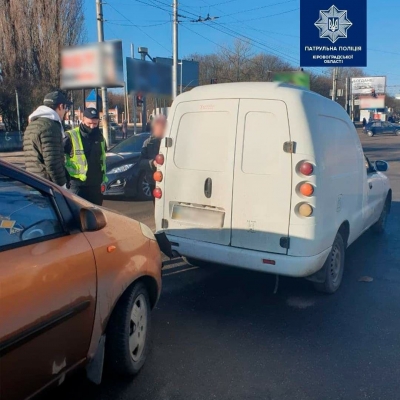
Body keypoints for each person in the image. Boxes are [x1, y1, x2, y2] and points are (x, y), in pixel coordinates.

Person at [24, 90, 72, 187]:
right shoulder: (50, 127)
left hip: (32, 179)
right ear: (60, 106)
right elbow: (52, 162)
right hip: (46, 185)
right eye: (65, 108)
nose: (65, 112)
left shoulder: (32, 124)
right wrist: (62, 186)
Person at [64, 108, 107, 205]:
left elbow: (102, 158)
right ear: (82, 120)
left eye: (95, 124)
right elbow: (57, 156)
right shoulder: (71, 136)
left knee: (95, 215)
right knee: (76, 214)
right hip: (77, 185)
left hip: (95, 185)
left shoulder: (100, 137)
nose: (92, 127)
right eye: (89, 123)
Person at [139, 115, 167, 202]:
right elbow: (141, 162)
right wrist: (152, 163)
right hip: (154, 181)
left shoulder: (170, 140)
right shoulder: (148, 143)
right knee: (158, 206)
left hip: (169, 180)